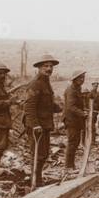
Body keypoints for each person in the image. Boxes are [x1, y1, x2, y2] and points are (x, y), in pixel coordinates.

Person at [24, 53, 59, 187]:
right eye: (45, 66)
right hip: (37, 126)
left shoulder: (46, 83)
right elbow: (29, 107)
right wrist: (35, 125)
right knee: (37, 154)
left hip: (44, 124)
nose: (49, 68)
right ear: (39, 68)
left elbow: (46, 103)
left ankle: (38, 179)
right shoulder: (35, 84)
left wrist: (58, 107)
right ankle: (35, 181)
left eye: (51, 66)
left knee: (43, 154)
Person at [63, 70, 87, 170]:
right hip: (71, 120)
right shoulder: (71, 90)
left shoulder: (77, 88)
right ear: (75, 79)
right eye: (80, 78)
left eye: (83, 78)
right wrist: (82, 113)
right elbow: (71, 106)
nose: (82, 80)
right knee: (72, 142)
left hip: (75, 120)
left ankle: (71, 165)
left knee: (75, 142)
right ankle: (68, 166)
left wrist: (83, 110)